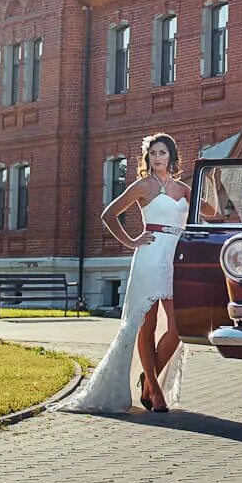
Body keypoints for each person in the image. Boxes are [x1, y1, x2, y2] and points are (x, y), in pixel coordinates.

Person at [62, 133, 188, 414]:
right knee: (147, 323)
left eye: (162, 153)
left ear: (172, 156)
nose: (157, 158)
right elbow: (109, 214)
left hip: (175, 258)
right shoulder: (142, 186)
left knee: (178, 327)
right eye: (153, 153)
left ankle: (147, 380)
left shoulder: (183, 188)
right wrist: (131, 241)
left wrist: (212, 185)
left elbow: (212, 211)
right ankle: (155, 391)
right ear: (148, 158)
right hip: (149, 256)